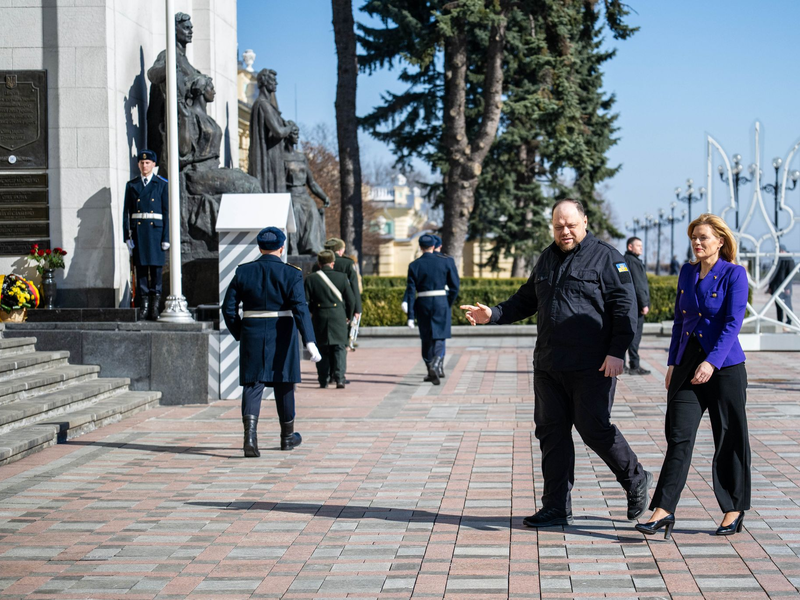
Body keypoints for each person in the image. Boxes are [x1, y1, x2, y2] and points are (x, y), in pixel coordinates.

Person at [461, 199, 652, 527]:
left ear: (585, 222)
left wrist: (618, 352)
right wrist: (493, 313)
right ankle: (556, 507)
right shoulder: (547, 258)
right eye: (558, 226)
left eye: (571, 225)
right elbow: (526, 299)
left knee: (593, 428)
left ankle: (635, 477)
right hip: (549, 364)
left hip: (592, 364)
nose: (564, 231)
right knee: (552, 434)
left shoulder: (607, 257)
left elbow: (625, 306)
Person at [636, 213, 750, 540]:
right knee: (678, 435)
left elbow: (732, 323)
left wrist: (712, 363)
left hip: (724, 367)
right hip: (687, 364)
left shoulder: (734, 274)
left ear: (720, 241)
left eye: (703, 237)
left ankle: (734, 508)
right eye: (693, 238)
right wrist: (673, 363)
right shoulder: (686, 272)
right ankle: (663, 510)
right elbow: (678, 322)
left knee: (728, 437)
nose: (697, 243)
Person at [222, 227, 322, 456]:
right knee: (284, 383)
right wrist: (310, 341)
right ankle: (287, 437)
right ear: (282, 247)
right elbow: (300, 309)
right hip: (282, 333)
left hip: (252, 334)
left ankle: (250, 437)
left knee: (253, 384)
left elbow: (227, 308)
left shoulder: (244, 272)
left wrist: (241, 332)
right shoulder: (291, 273)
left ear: (259, 247)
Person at [406, 234, 460, 385]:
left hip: (422, 302)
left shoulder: (414, 265)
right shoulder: (446, 261)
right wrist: (447, 301)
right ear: (433, 246)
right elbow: (455, 286)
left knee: (426, 336)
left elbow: (410, 292)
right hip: (441, 301)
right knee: (439, 335)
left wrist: (410, 315)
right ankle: (436, 364)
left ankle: (430, 366)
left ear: (421, 247)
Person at [123, 149, 169, 321]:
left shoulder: (162, 184)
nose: (144, 165)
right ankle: (144, 305)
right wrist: (127, 236)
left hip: (156, 233)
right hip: (139, 233)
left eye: (148, 163)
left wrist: (166, 237)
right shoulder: (132, 185)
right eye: (142, 163)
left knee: (156, 270)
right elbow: (126, 212)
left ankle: (155, 305)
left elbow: (167, 213)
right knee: (141, 269)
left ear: (153, 165)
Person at [305, 250, 355, 389]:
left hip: (319, 316)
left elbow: (306, 301)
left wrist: (314, 312)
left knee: (322, 348)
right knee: (339, 348)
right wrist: (348, 316)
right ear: (332, 263)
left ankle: (323, 380)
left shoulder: (311, 279)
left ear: (319, 264)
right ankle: (339, 379)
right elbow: (351, 300)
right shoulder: (342, 277)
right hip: (338, 315)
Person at [323, 238, 363, 384]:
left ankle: (328, 374)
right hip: (344, 308)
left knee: (326, 343)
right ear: (340, 250)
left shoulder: (319, 263)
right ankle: (339, 374)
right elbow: (354, 289)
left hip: (324, 309)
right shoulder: (347, 263)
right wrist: (357, 309)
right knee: (341, 343)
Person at [624, 237, 651, 375]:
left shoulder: (626, 260)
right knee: (635, 336)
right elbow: (639, 285)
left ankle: (623, 365)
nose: (641, 248)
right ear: (630, 247)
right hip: (636, 307)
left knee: (625, 335)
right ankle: (634, 365)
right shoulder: (633, 262)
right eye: (638, 245)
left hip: (628, 305)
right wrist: (644, 303)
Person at [768, 245, 795, 325]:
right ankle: (780, 322)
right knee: (778, 306)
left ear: (783, 250)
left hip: (785, 288)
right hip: (776, 288)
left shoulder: (789, 260)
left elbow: (790, 275)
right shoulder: (776, 260)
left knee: (787, 305)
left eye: (780, 250)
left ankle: (789, 321)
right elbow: (772, 275)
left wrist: (788, 288)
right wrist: (770, 287)